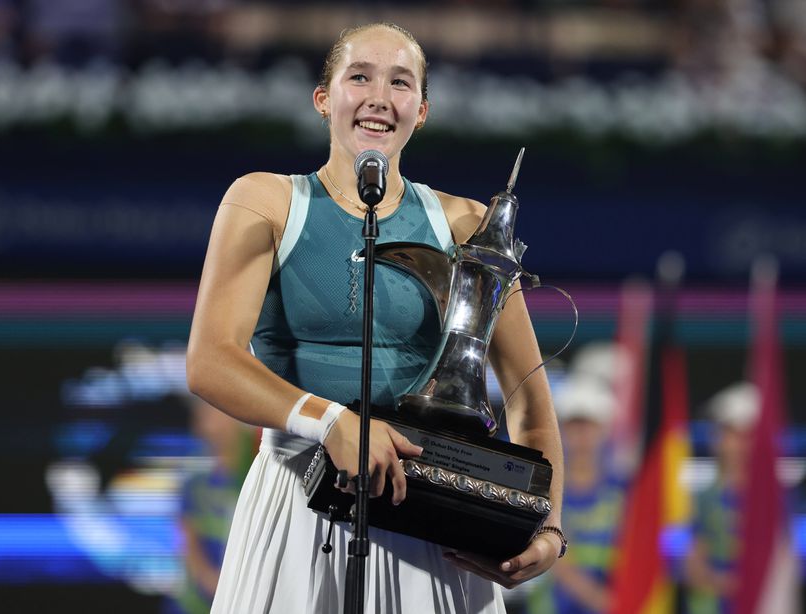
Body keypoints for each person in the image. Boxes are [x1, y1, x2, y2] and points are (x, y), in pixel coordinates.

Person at [186, 22, 564, 613]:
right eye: (359, 76)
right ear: (323, 98)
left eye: (401, 82)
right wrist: (332, 422)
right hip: (297, 503)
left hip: (434, 523)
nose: (379, 97)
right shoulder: (264, 201)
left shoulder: (467, 225)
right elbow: (210, 360)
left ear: (422, 111)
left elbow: (532, 407)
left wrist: (549, 528)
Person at [525, 371, 626, 614]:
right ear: (561, 429)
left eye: (589, 425)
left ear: (604, 429)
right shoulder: (540, 489)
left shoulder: (625, 492)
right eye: (574, 424)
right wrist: (599, 598)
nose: (582, 435)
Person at [171, 395, 256, 614]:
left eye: (215, 412)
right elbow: (187, 539)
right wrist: (211, 581)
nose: (208, 422)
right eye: (204, 415)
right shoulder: (195, 481)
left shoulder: (254, 479)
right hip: (196, 604)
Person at [684, 381, 758, 614]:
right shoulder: (703, 498)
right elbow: (692, 567)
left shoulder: (771, 502)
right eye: (729, 433)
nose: (737, 445)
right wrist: (726, 584)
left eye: (746, 435)